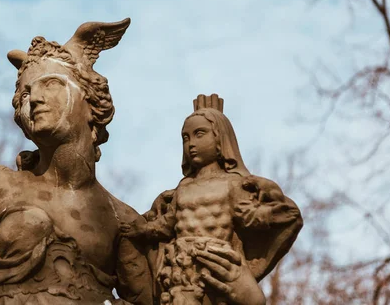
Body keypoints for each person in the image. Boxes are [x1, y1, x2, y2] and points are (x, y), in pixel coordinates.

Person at [0, 18, 153, 304]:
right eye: (25, 92)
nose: (34, 98)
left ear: (91, 102)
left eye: (50, 84)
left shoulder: (120, 219)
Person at [120, 98, 302, 305]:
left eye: (199, 134)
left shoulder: (234, 184)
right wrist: (142, 230)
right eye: (185, 138)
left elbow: (280, 215)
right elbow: (168, 224)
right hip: (180, 265)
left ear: (220, 139)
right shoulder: (183, 188)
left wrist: (264, 205)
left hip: (218, 263)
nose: (191, 144)